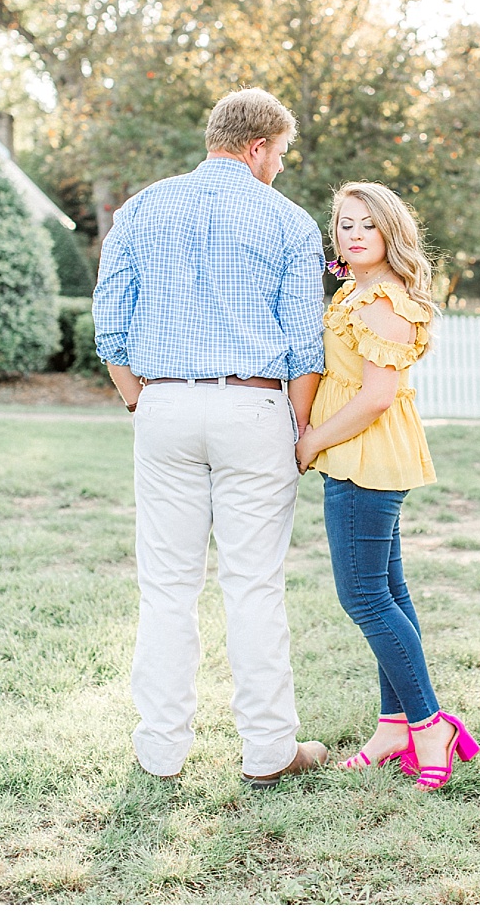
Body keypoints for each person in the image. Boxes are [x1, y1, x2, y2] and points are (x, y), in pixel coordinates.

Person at [91, 86, 330, 789]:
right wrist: (299, 427)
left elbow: (110, 319)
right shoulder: (288, 222)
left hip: (164, 405)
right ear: (257, 147)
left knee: (165, 587)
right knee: (253, 585)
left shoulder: (140, 209)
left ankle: (159, 751)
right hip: (254, 407)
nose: (280, 167)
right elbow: (304, 349)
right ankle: (268, 750)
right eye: (280, 154)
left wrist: (138, 397)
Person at [292, 181, 480, 789]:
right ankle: (395, 724)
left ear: (390, 232)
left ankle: (431, 725)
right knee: (388, 592)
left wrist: (312, 440)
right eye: (344, 223)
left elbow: (375, 397)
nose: (352, 233)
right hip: (363, 452)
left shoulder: (382, 301)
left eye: (366, 225)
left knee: (365, 599)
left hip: (362, 457)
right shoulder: (362, 291)